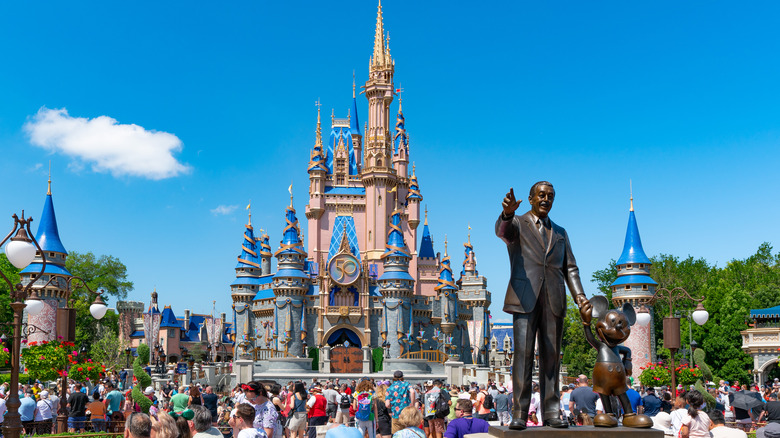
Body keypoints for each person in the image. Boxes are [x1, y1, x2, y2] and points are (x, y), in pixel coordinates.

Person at [496, 182, 591, 429]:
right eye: (541, 195)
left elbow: (570, 268)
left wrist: (580, 297)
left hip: (554, 299)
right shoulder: (518, 223)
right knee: (523, 357)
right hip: (524, 298)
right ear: (530, 198)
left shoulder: (560, 232)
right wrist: (507, 213)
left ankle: (551, 411)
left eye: (550, 196)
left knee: (552, 359)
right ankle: (519, 412)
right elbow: (502, 232)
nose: (546, 199)